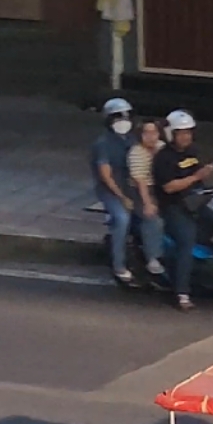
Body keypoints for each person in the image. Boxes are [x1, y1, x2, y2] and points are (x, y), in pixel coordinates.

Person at [152, 109, 213, 311]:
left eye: (189, 132)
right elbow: (169, 187)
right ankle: (181, 293)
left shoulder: (193, 151)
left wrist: (207, 175)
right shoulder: (164, 158)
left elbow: (198, 176)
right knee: (186, 242)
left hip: (195, 201)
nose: (186, 136)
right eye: (181, 132)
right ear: (171, 134)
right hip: (173, 206)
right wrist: (196, 178)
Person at [91, 96, 136, 286]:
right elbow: (106, 176)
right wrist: (122, 197)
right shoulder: (103, 144)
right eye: (118, 117)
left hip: (131, 188)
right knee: (122, 219)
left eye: (126, 116)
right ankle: (119, 265)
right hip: (111, 191)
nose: (123, 121)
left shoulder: (132, 140)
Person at [127, 117, 166, 278]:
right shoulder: (136, 153)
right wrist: (148, 204)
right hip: (139, 190)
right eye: (146, 133)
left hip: (159, 188)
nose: (151, 136)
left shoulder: (162, 147)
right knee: (153, 219)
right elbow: (140, 181)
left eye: (154, 132)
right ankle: (153, 258)